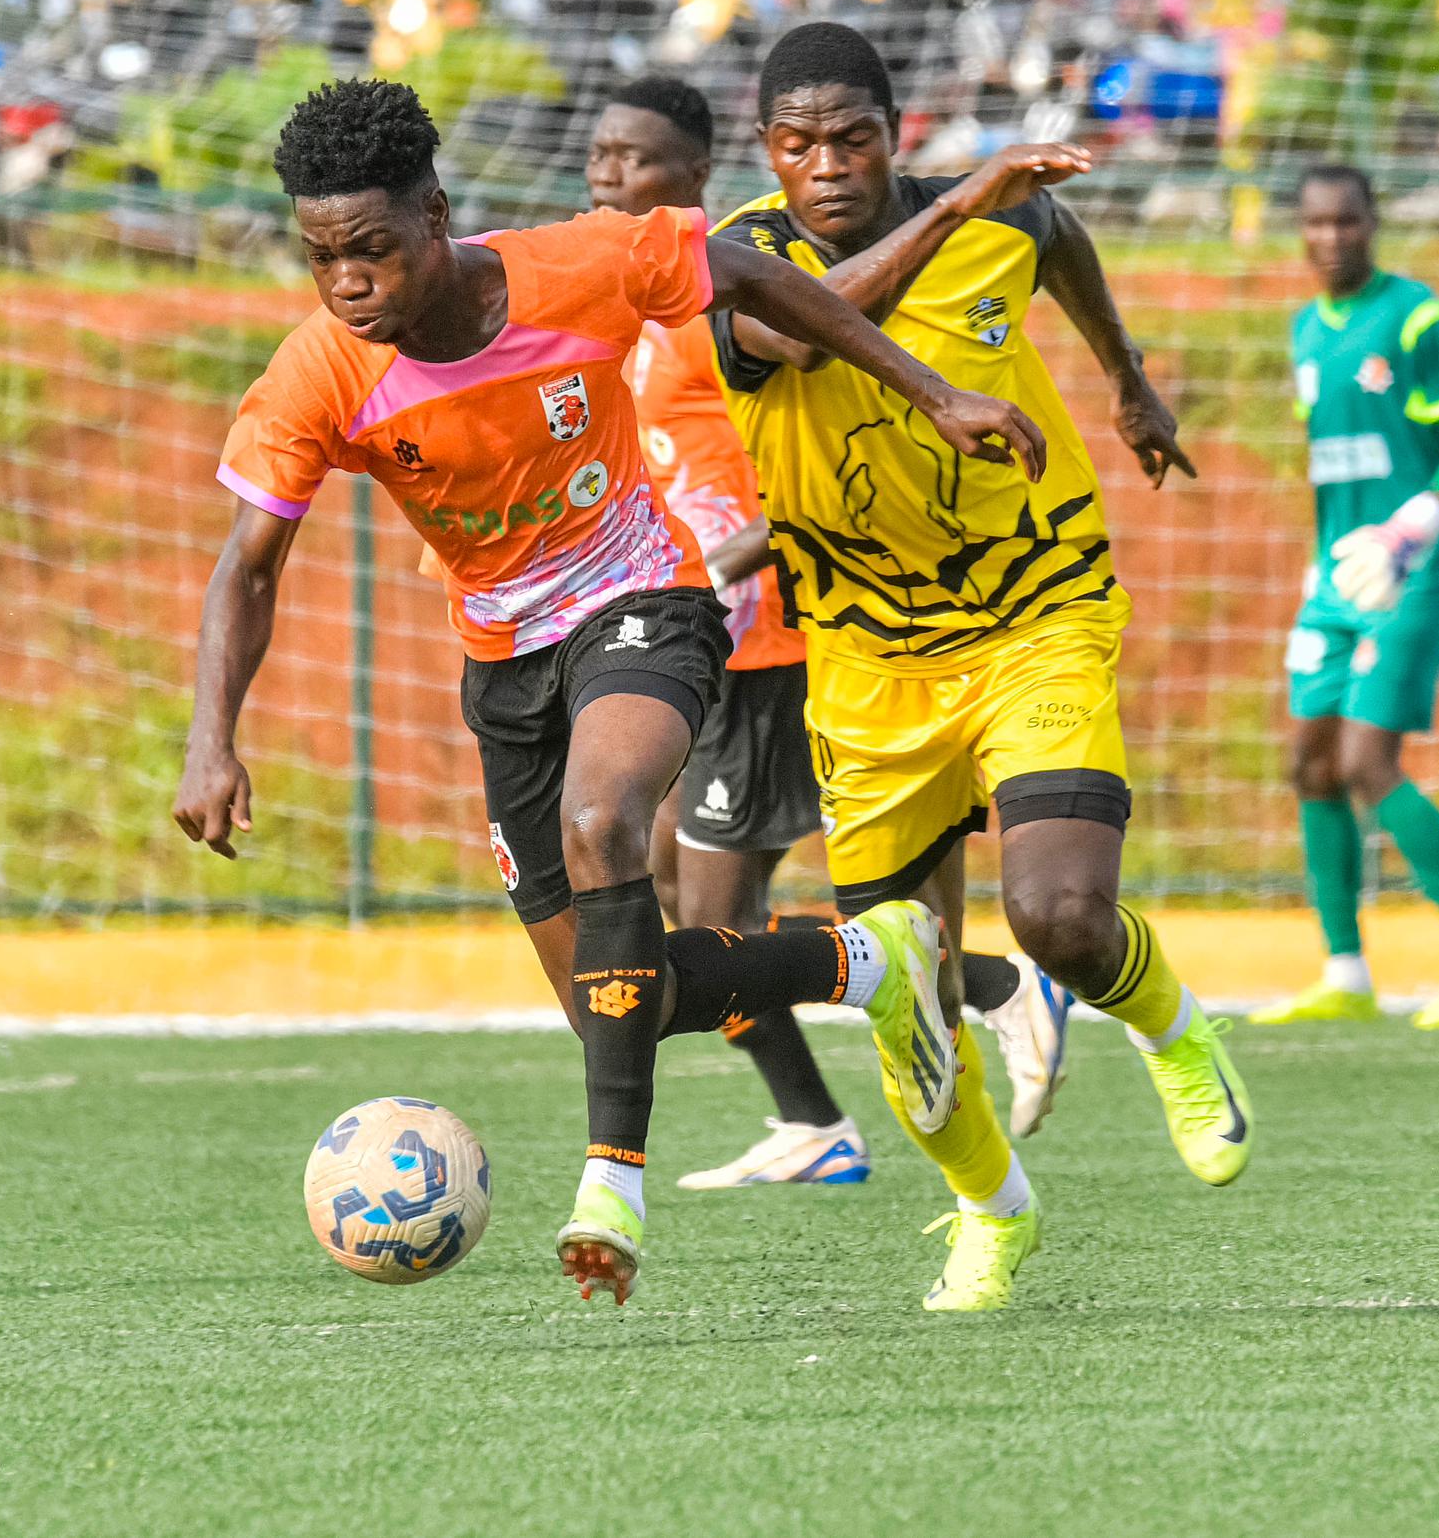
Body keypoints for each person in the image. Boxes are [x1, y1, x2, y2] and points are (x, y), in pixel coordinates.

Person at [176, 78, 1050, 1307]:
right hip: (505, 664)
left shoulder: (577, 265)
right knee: (611, 1004)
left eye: (372, 248)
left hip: (646, 597)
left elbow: (752, 278)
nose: (349, 282)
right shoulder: (317, 374)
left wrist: (931, 388)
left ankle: (612, 1183)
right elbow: (247, 565)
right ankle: (863, 962)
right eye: (323, 258)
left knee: (604, 825)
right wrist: (211, 738)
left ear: (435, 216)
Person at [712, 22, 1253, 1313]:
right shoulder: (741, 259)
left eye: (853, 138)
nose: (827, 166)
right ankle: (991, 1208)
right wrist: (964, 196)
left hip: (1034, 610)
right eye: (800, 144)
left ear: (893, 132)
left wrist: (1127, 382)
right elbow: (825, 323)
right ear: (768, 152)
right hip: (866, 655)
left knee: (1062, 918)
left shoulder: (1009, 223)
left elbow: (1058, 241)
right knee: (907, 994)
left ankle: (1178, 1032)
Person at [588, 74, 1073, 1193]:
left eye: (633, 159)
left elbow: (809, 455)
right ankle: (823, 1112)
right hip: (689, 632)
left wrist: (726, 560)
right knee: (671, 880)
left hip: (758, 635)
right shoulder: (627, 296)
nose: (606, 176)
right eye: (599, 155)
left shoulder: (733, 279)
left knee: (707, 916)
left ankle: (985, 991)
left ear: (700, 174)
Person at [1247, 165, 1439, 1029]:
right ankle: (1345, 972)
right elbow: (1334, 476)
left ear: (1374, 224)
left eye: (1348, 222)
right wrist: (1318, 562)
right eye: (1317, 224)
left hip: (1415, 570)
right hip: (1337, 575)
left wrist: (1423, 517)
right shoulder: (1302, 330)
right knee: (1310, 763)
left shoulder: (1416, 318)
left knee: (1369, 762)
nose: (1332, 238)